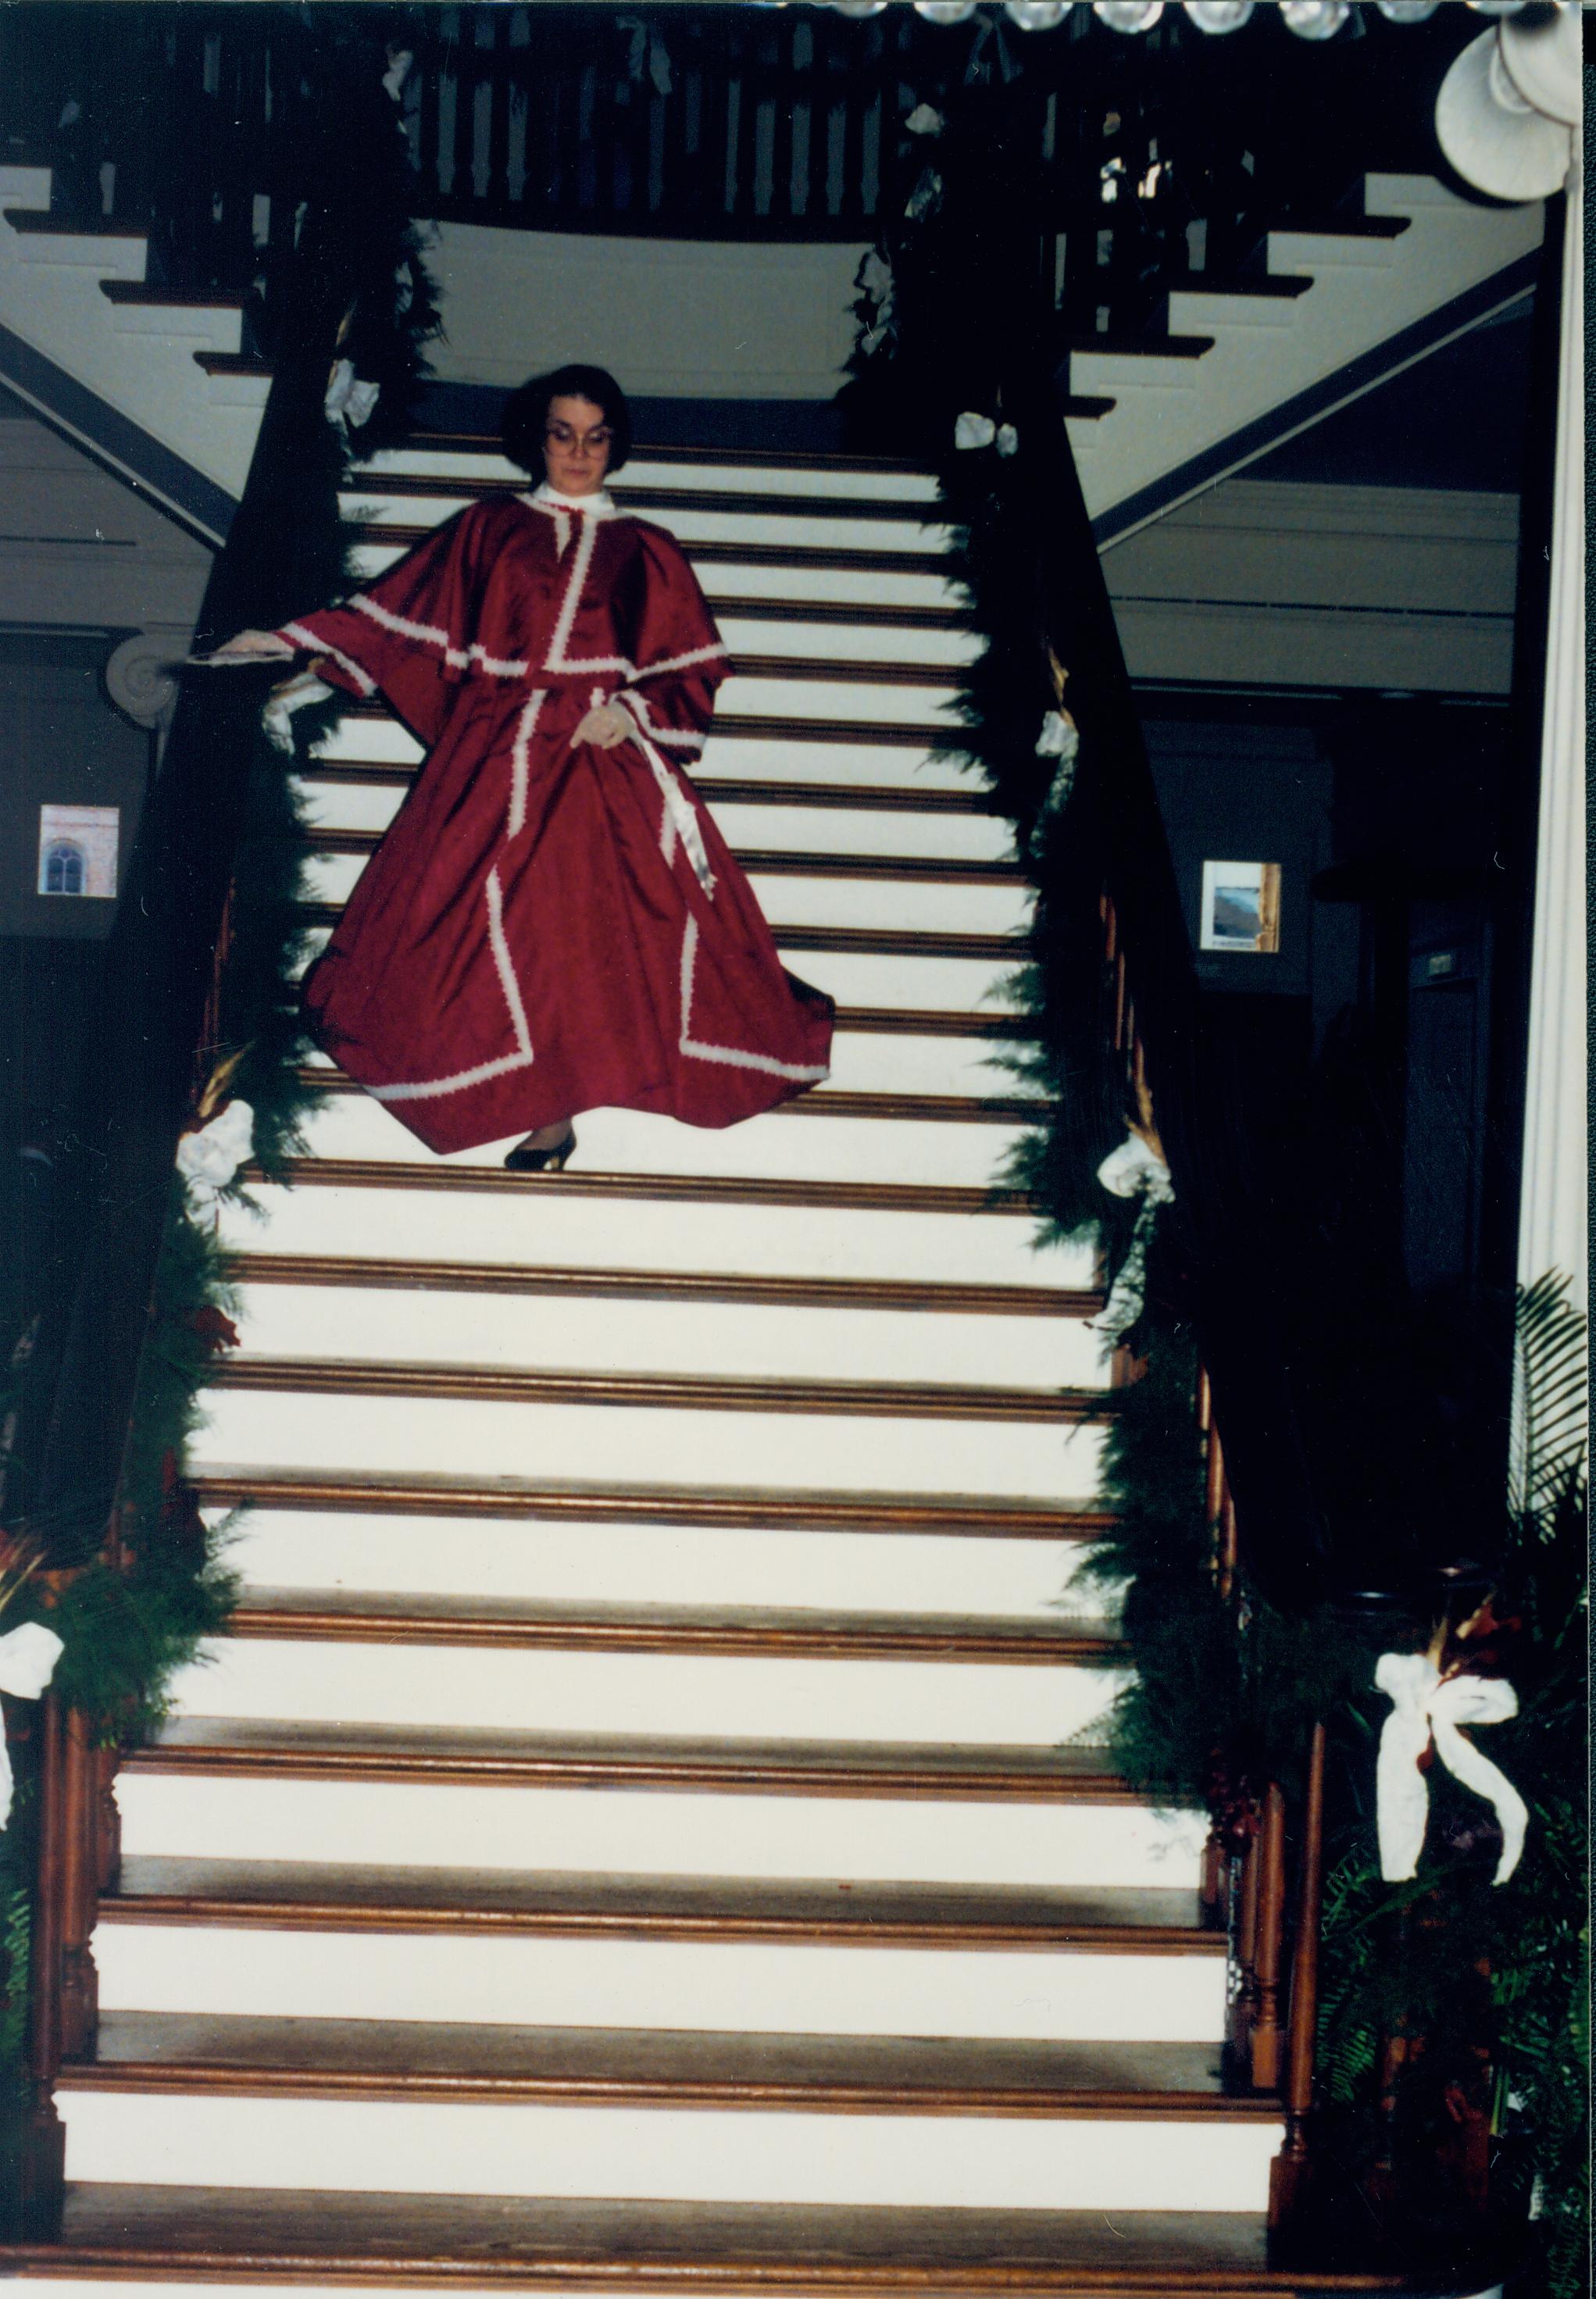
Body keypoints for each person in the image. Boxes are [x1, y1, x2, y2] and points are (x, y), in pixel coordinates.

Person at [212, 363, 834, 1169]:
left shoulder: (647, 550)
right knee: (477, 926)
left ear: (616, 446)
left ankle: (557, 1112)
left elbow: (692, 667)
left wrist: (634, 709)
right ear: (537, 441)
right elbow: (400, 617)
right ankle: (539, 1104)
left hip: (601, 761)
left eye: (596, 436)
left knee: (578, 937)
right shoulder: (488, 529)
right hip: (495, 754)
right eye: (563, 433)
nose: (579, 452)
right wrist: (290, 642)